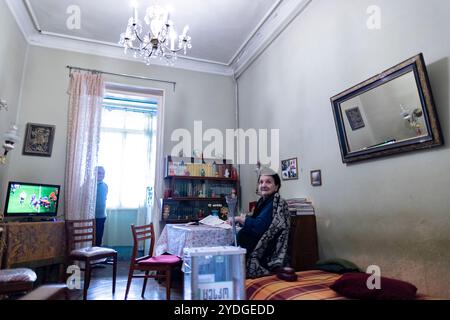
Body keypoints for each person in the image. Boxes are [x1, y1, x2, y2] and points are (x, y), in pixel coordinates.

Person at [234, 167, 291, 278]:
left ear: (276, 186)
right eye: (261, 182)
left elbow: (260, 227)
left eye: (268, 182)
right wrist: (243, 220)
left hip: (268, 249)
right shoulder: (263, 201)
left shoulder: (275, 202)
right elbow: (258, 220)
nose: (263, 185)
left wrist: (240, 219)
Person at [95, 166, 108, 247]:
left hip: (102, 215)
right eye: (99, 173)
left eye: (103, 173)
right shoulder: (91, 185)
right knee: (93, 236)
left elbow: (105, 198)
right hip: (92, 216)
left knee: (99, 236)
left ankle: (97, 255)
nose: (101, 175)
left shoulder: (105, 185)